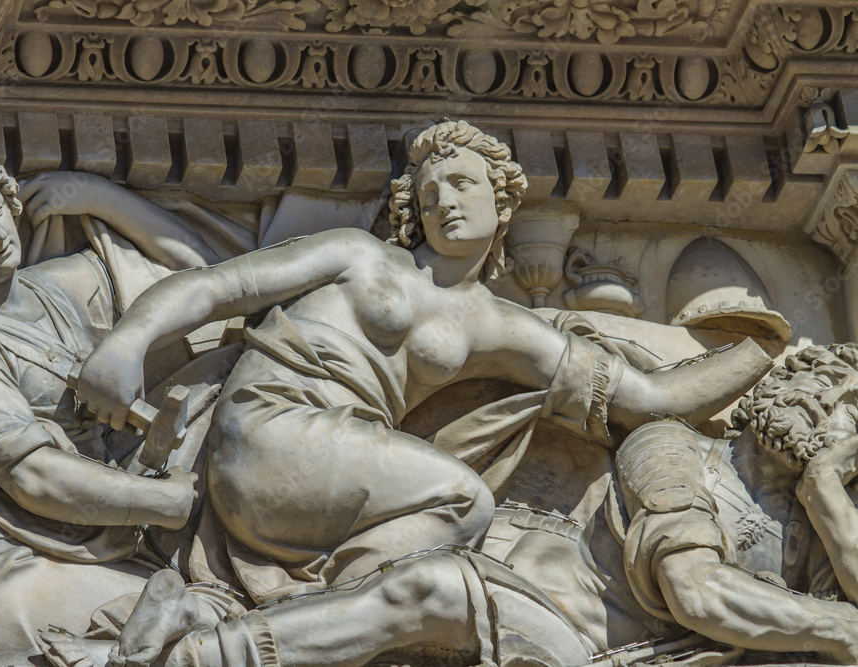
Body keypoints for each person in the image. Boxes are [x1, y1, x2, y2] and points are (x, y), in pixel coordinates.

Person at [75, 120, 774, 605]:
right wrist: (124, 343)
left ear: (504, 202)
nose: (445, 202)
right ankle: (332, 612)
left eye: (463, 184)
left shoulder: (502, 325)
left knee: (461, 506)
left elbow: (647, 398)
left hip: (323, 471)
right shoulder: (360, 254)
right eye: (431, 193)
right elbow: (218, 286)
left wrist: (764, 351)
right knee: (464, 500)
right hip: (266, 426)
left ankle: (332, 607)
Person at [47, 344, 858, 667]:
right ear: (800, 389)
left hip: (590, 656)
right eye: (848, 408)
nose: (846, 434)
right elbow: (695, 590)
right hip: (550, 619)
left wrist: (825, 492)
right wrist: (838, 626)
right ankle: (207, 659)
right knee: (432, 587)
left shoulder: (814, 535)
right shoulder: (674, 447)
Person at [0, 149, 242, 666]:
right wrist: (165, 502)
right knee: (218, 624)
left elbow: (204, 274)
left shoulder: (62, 287)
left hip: (98, 535)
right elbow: (35, 477)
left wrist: (102, 198)